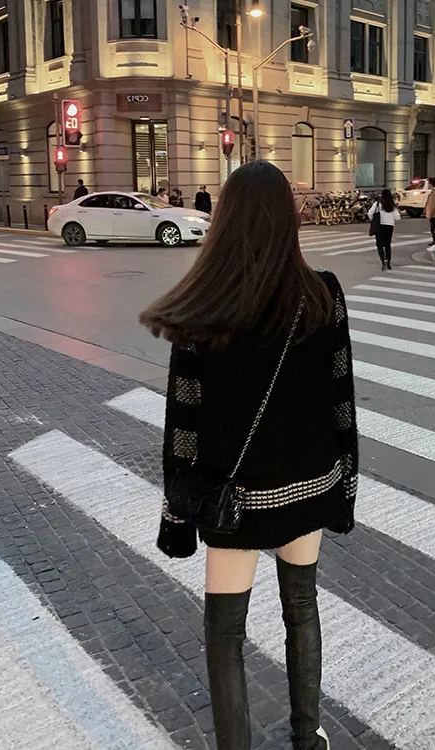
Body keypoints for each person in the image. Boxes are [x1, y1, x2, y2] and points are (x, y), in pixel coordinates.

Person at [140, 161, 357, 750]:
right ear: (288, 219)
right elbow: (340, 398)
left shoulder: (205, 304)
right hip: (309, 484)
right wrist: (344, 490)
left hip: (233, 499)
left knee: (225, 632)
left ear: (225, 220)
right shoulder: (323, 294)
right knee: (302, 606)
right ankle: (307, 737)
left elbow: (183, 425)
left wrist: (177, 518)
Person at [367, 188, 400, 271]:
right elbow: (398, 217)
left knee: (380, 245)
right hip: (389, 226)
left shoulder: (377, 204)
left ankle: (383, 261)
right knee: (387, 245)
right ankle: (388, 262)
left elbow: (370, 213)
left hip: (380, 226)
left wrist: (373, 219)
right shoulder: (392, 205)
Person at [424, 177, 435, 246]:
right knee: (433, 228)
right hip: (432, 213)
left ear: (431, 184)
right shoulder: (432, 192)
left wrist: (430, 214)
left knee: (433, 228)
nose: (427, 185)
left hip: (434, 214)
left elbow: (434, 204)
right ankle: (434, 240)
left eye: (428, 183)